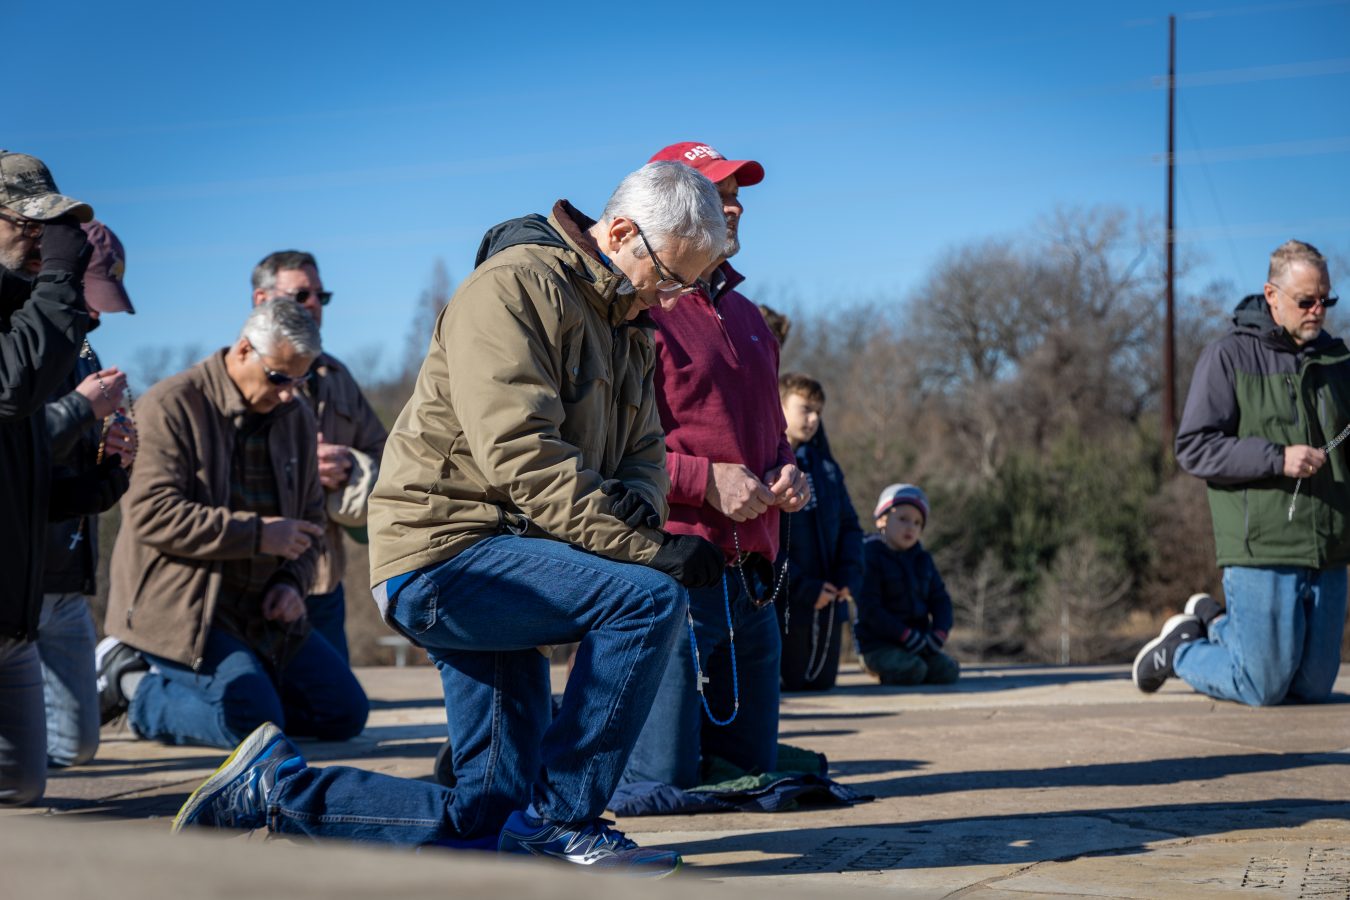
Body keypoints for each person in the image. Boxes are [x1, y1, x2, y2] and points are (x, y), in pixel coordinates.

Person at [174, 162, 727, 877]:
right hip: (446, 554)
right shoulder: (515, 287)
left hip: (515, 557)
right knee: (647, 600)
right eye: (671, 276)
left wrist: (644, 516)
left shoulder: (627, 325)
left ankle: (277, 790)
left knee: (492, 821)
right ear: (620, 232)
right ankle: (565, 821)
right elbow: (521, 453)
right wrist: (646, 552)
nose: (673, 298)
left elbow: (646, 451)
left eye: (689, 285)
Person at [96, 298, 369, 748]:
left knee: (344, 714)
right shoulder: (170, 404)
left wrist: (292, 582)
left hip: (262, 610)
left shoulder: (297, 416)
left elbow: (311, 518)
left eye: (300, 381)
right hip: (188, 612)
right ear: (243, 350)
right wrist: (259, 535)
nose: (289, 393)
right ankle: (132, 688)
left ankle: (255, 698)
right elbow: (151, 514)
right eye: (279, 378)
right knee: (253, 725)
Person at [621, 142, 809, 792]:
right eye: (716, 195)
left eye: (736, 197)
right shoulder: (639, 312)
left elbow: (773, 433)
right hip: (673, 565)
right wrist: (706, 481)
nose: (734, 208)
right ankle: (544, 754)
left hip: (752, 577)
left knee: (752, 774)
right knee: (661, 783)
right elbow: (609, 452)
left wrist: (789, 472)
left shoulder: (750, 315)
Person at [1138, 239, 1348, 705]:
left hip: (1330, 546)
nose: (1318, 311)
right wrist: (1277, 458)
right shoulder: (1227, 356)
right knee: (1262, 686)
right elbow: (1194, 447)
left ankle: (1214, 621)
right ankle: (1182, 651)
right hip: (1262, 545)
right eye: (1305, 301)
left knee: (1313, 687)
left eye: (1326, 300)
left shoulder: (1338, 360)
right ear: (1271, 295)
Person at [0, 150, 95, 805]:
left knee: (21, 789)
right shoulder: (32, 326)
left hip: (14, 618)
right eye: (28, 224)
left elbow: (21, 481)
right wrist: (61, 278)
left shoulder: (24, 317)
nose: (43, 242)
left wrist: (101, 483)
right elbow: (12, 385)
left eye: (53, 230)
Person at [251, 250, 388, 661]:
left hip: (324, 579)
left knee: (337, 700)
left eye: (320, 296)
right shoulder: (236, 375)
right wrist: (301, 465)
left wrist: (352, 469)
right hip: (254, 579)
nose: (312, 304)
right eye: (300, 294)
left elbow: (389, 458)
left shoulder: (337, 376)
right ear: (261, 300)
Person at [38, 221, 138, 769]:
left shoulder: (85, 351)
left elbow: (73, 478)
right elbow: (17, 453)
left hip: (69, 575)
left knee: (77, 747)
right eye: (91, 296)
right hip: (21, 577)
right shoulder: (21, 344)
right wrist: (81, 409)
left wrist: (114, 457)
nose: (97, 314)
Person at [774, 373, 863, 692]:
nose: (813, 419)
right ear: (779, 406)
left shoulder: (827, 468)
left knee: (822, 683)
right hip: (783, 604)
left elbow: (850, 526)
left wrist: (848, 576)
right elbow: (763, 545)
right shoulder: (766, 464)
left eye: (819, 412)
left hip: (828, 604)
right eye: (806, 409)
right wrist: (803, 587)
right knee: (787, 686)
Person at [855, 483, 960, 686]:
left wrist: (939, 633)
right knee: (914, 670)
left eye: (917, 523)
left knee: (948, 671)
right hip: (877, 646)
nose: (910, 527)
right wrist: (904, 635)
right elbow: (870, 609)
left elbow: (940, 599)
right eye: (903, 519)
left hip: (917, 644)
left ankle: (915, 666)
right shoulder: (869, 556)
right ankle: (887, 674)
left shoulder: (923, 560)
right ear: (882, 520)